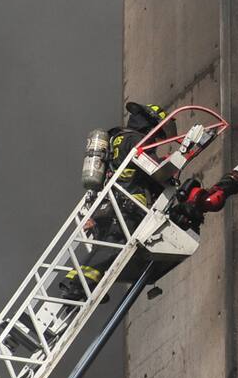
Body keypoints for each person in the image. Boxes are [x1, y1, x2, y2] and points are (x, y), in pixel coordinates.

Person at [60, 102, 176, 299]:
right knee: (114, 245)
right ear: (150, 125)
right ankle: (79, 284)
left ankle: (80, 283)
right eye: (157, 132)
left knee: (106, 246)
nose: (156, 139)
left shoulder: (117, 138)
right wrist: (169, 167)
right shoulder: (137, 140)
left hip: (108, 204)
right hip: (128, 205)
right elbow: (152, 169)